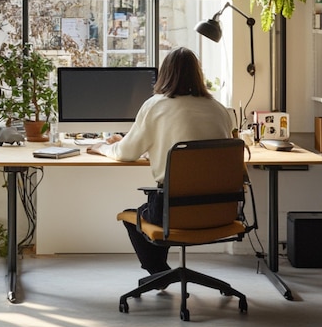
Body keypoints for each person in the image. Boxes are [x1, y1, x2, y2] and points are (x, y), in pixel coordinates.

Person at [87, 46, 234, 275]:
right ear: (198, 74)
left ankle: (159, 273)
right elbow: (203, 152)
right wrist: (155, 150)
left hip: (174, 211)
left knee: (133, 217)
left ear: (165, 74)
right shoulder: (220, 109)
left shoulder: (156, 105)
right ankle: (163, 273)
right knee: (155, 207)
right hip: (221, 211)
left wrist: (103, 147)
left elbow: (126, 153)